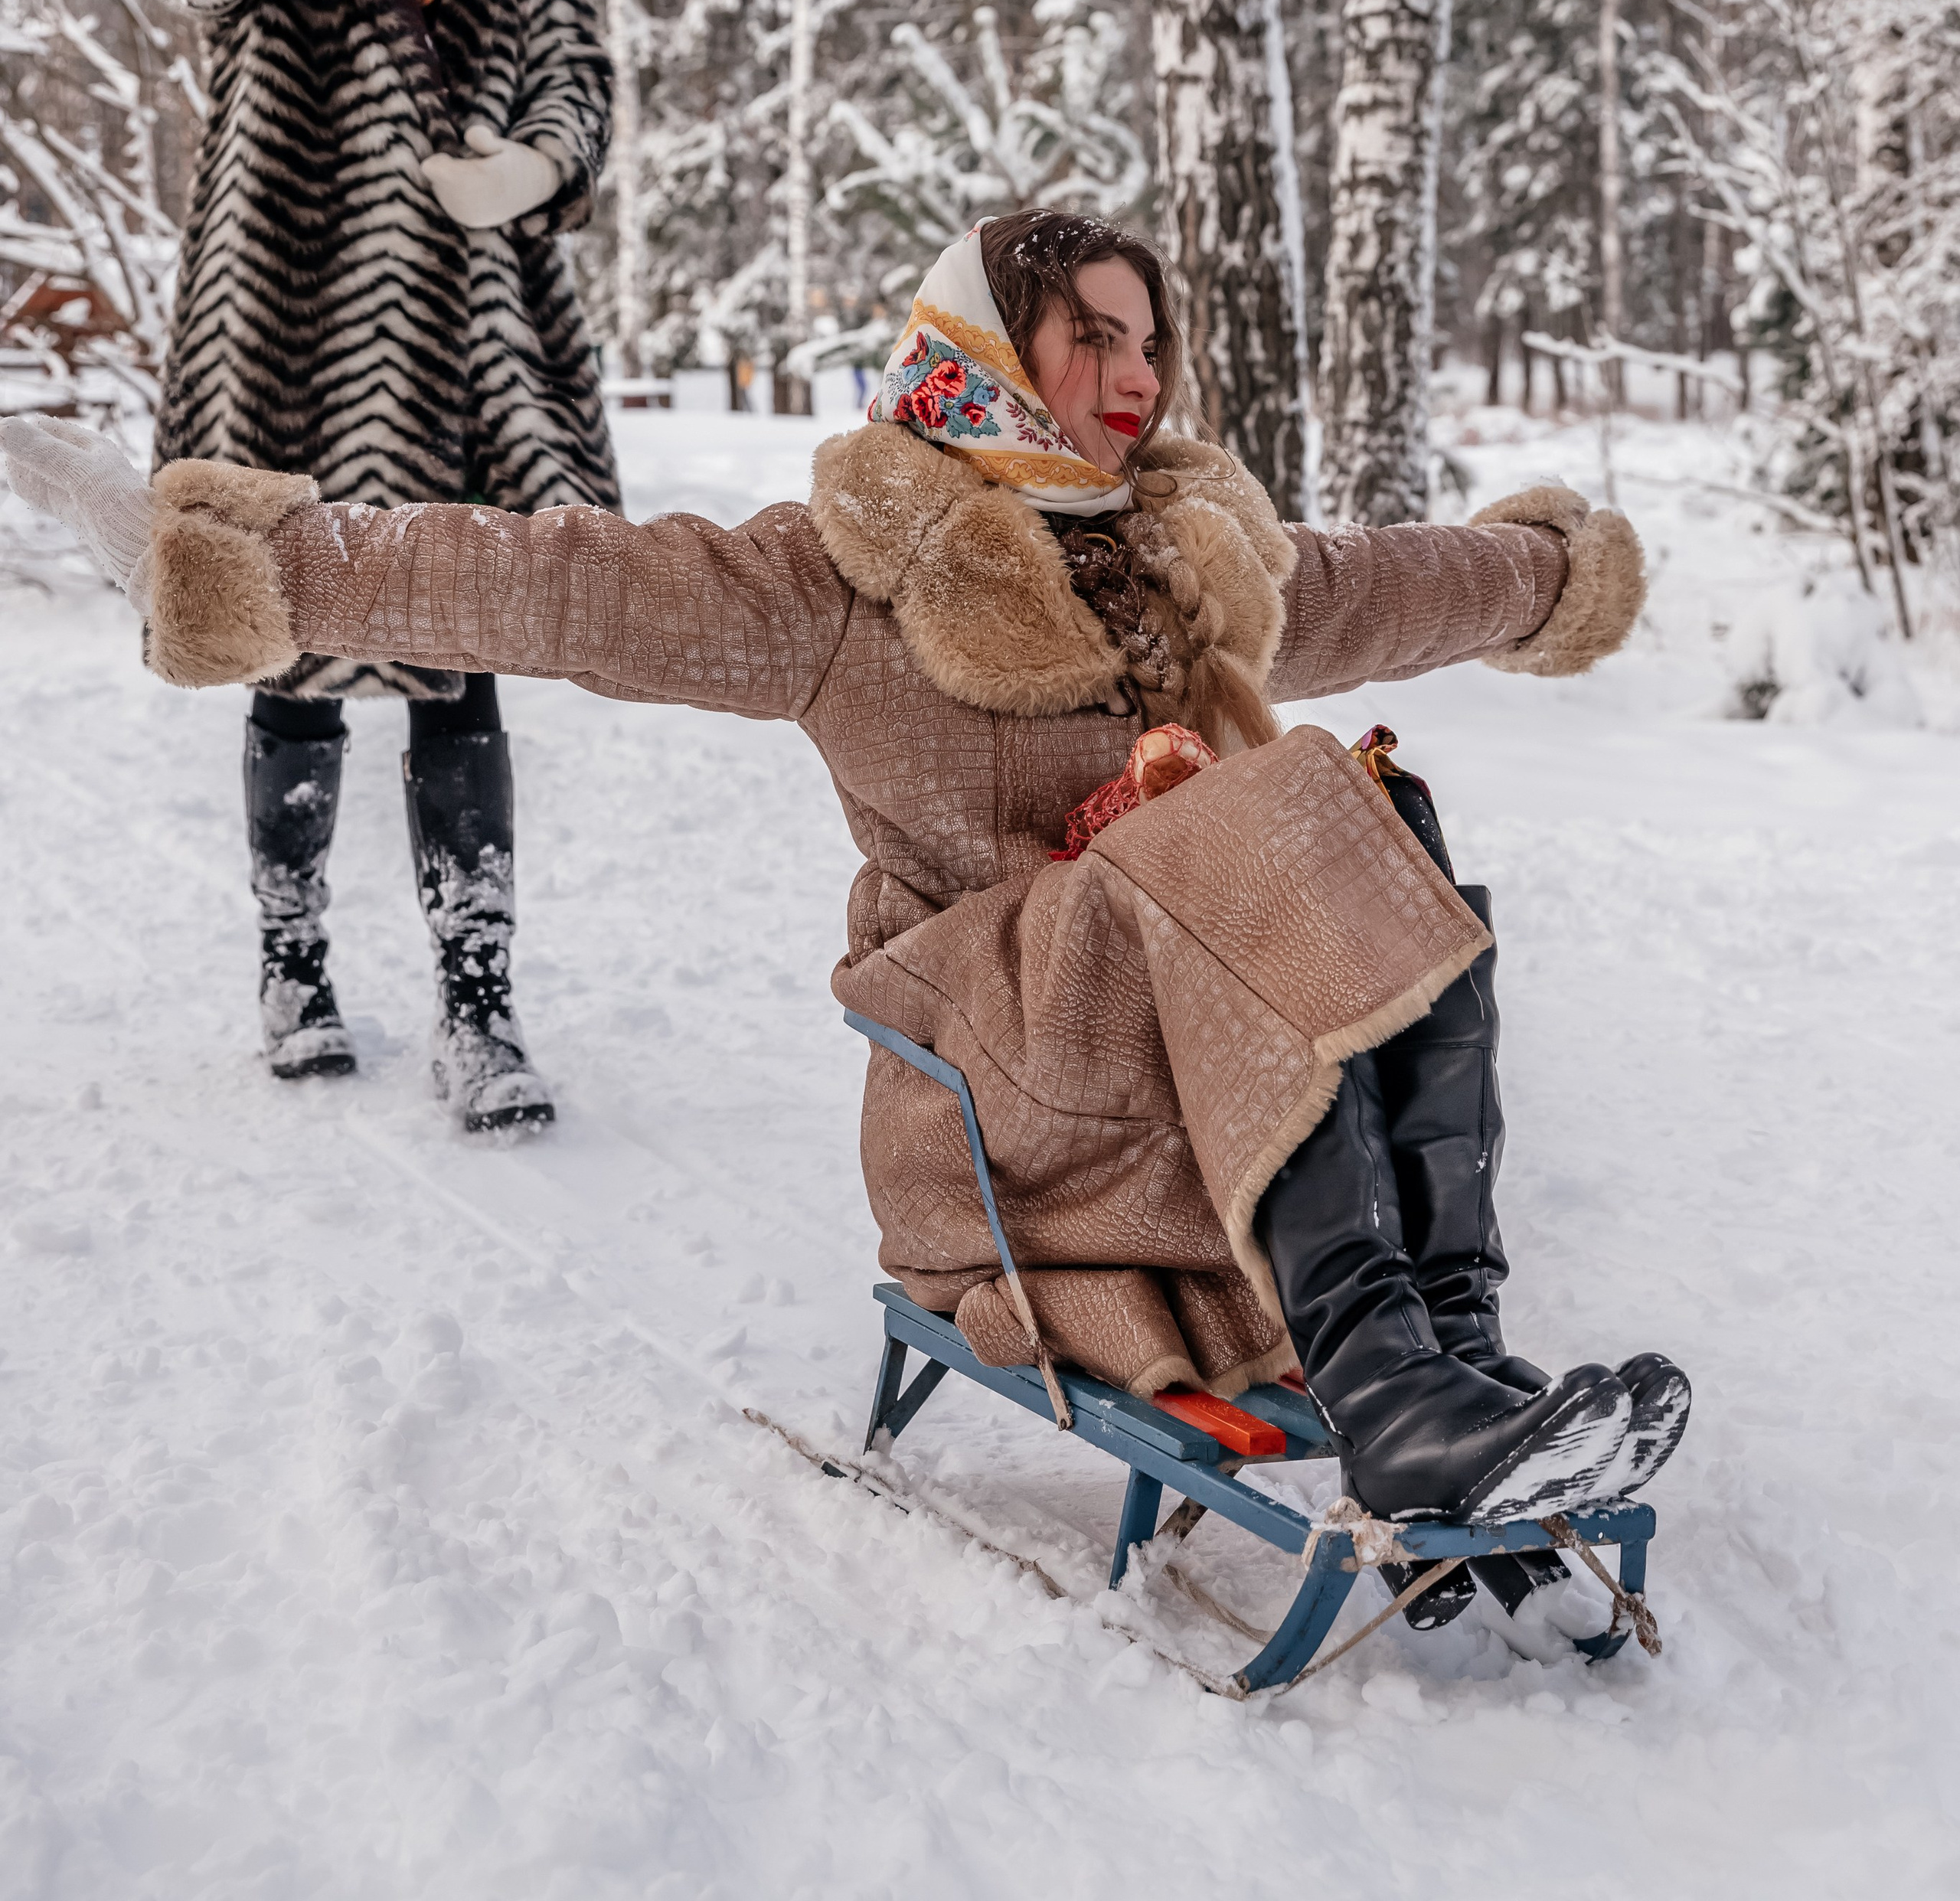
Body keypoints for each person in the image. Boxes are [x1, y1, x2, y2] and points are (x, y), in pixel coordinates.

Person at [4, 208, 1687, 1546]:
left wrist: (1551, 572)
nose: (1135, 375)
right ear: (988, 350)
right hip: (1010, 1085)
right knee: (1258, 812)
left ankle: (1454, 1363)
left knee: (1374, 809)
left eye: (1149, 339)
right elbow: (554, 583)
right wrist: (259, 567)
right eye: (1091, 336)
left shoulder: (1186, 559)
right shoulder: (848, 581)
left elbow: (1400, 583)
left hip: (1209, 1077)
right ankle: (1390, 1397)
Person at [129, 0, 620, 1130]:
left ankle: (480, 1008)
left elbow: (572, 61)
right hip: (288, 313)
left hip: (467, 323)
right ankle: (294, 973)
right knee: (293, 655)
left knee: (458, 661)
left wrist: (536, 167)